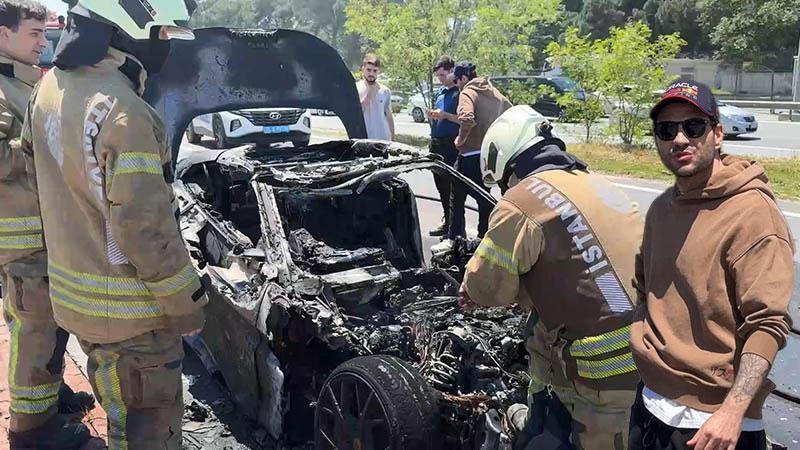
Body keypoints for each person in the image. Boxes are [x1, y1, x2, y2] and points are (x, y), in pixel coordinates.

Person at [21, 1, 208, 448]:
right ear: (130, 25)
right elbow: (145, 230)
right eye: (162, 33)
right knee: (145, 431)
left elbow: (36, 176)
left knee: (119, 409)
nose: (164, 45)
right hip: (133, 322)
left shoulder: (48, 90)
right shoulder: (125, 113)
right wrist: (187, 305)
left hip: (78, 303)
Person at [460, 105, 643, 449]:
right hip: (655, 346)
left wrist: (472, 288)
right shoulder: (595, 182)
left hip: (601, 374)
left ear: (506, 164)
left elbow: (487, 290)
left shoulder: (520, 201)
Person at [629, 80, 794, 450]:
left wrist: (733, 411)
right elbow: (645, 289)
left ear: (717, 134)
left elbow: (767, 324)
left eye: (693, 126)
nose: (680, 139)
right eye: (666, 130)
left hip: (713, 426)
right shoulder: (662, 209)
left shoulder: (753, 214)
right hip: (649, 405)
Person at [0, 1, 94, 447]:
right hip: (22, 240)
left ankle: (50, 397)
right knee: (36, 330)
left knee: (50, 327)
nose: (43, 43)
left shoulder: (22, 82)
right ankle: (31, 429)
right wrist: (40, 147)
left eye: (45, 33)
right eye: (34, 33)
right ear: (4, 34)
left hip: (43, 235)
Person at [449, 61, 510, 241]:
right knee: (484, 198)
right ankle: (484, 239)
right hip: (488, 156)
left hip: (468, 156)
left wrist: (460, 139)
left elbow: (467, 118)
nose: (457, 85)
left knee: (457, 199)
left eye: (457, 81)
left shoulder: (468, 92)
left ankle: (455, 239)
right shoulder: (495, 93)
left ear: (464, 78)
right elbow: (510, 112)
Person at [426, 55, 460, 237]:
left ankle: (454, 227)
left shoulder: (460, 93)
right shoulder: (440, 92)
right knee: (441, 186)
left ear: (452, 71)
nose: (440, 79)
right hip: (436, 144)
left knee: (452, 188)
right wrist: (433, 116)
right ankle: (446, 220)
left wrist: (445, 115)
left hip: (451, 146)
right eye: (438, 76)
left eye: (443, 75)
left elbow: (463, 120)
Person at [356, 53, 394, 141]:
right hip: (364, 139)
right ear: (363, 69)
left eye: (375, 71)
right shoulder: (355, 88)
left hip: (383, 139)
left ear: (378, 71)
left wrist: (392, 137)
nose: (371, 74)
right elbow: (357, 113)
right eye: (368, 70)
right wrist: (370, 93)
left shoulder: (385, 91)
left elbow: (389, 116)